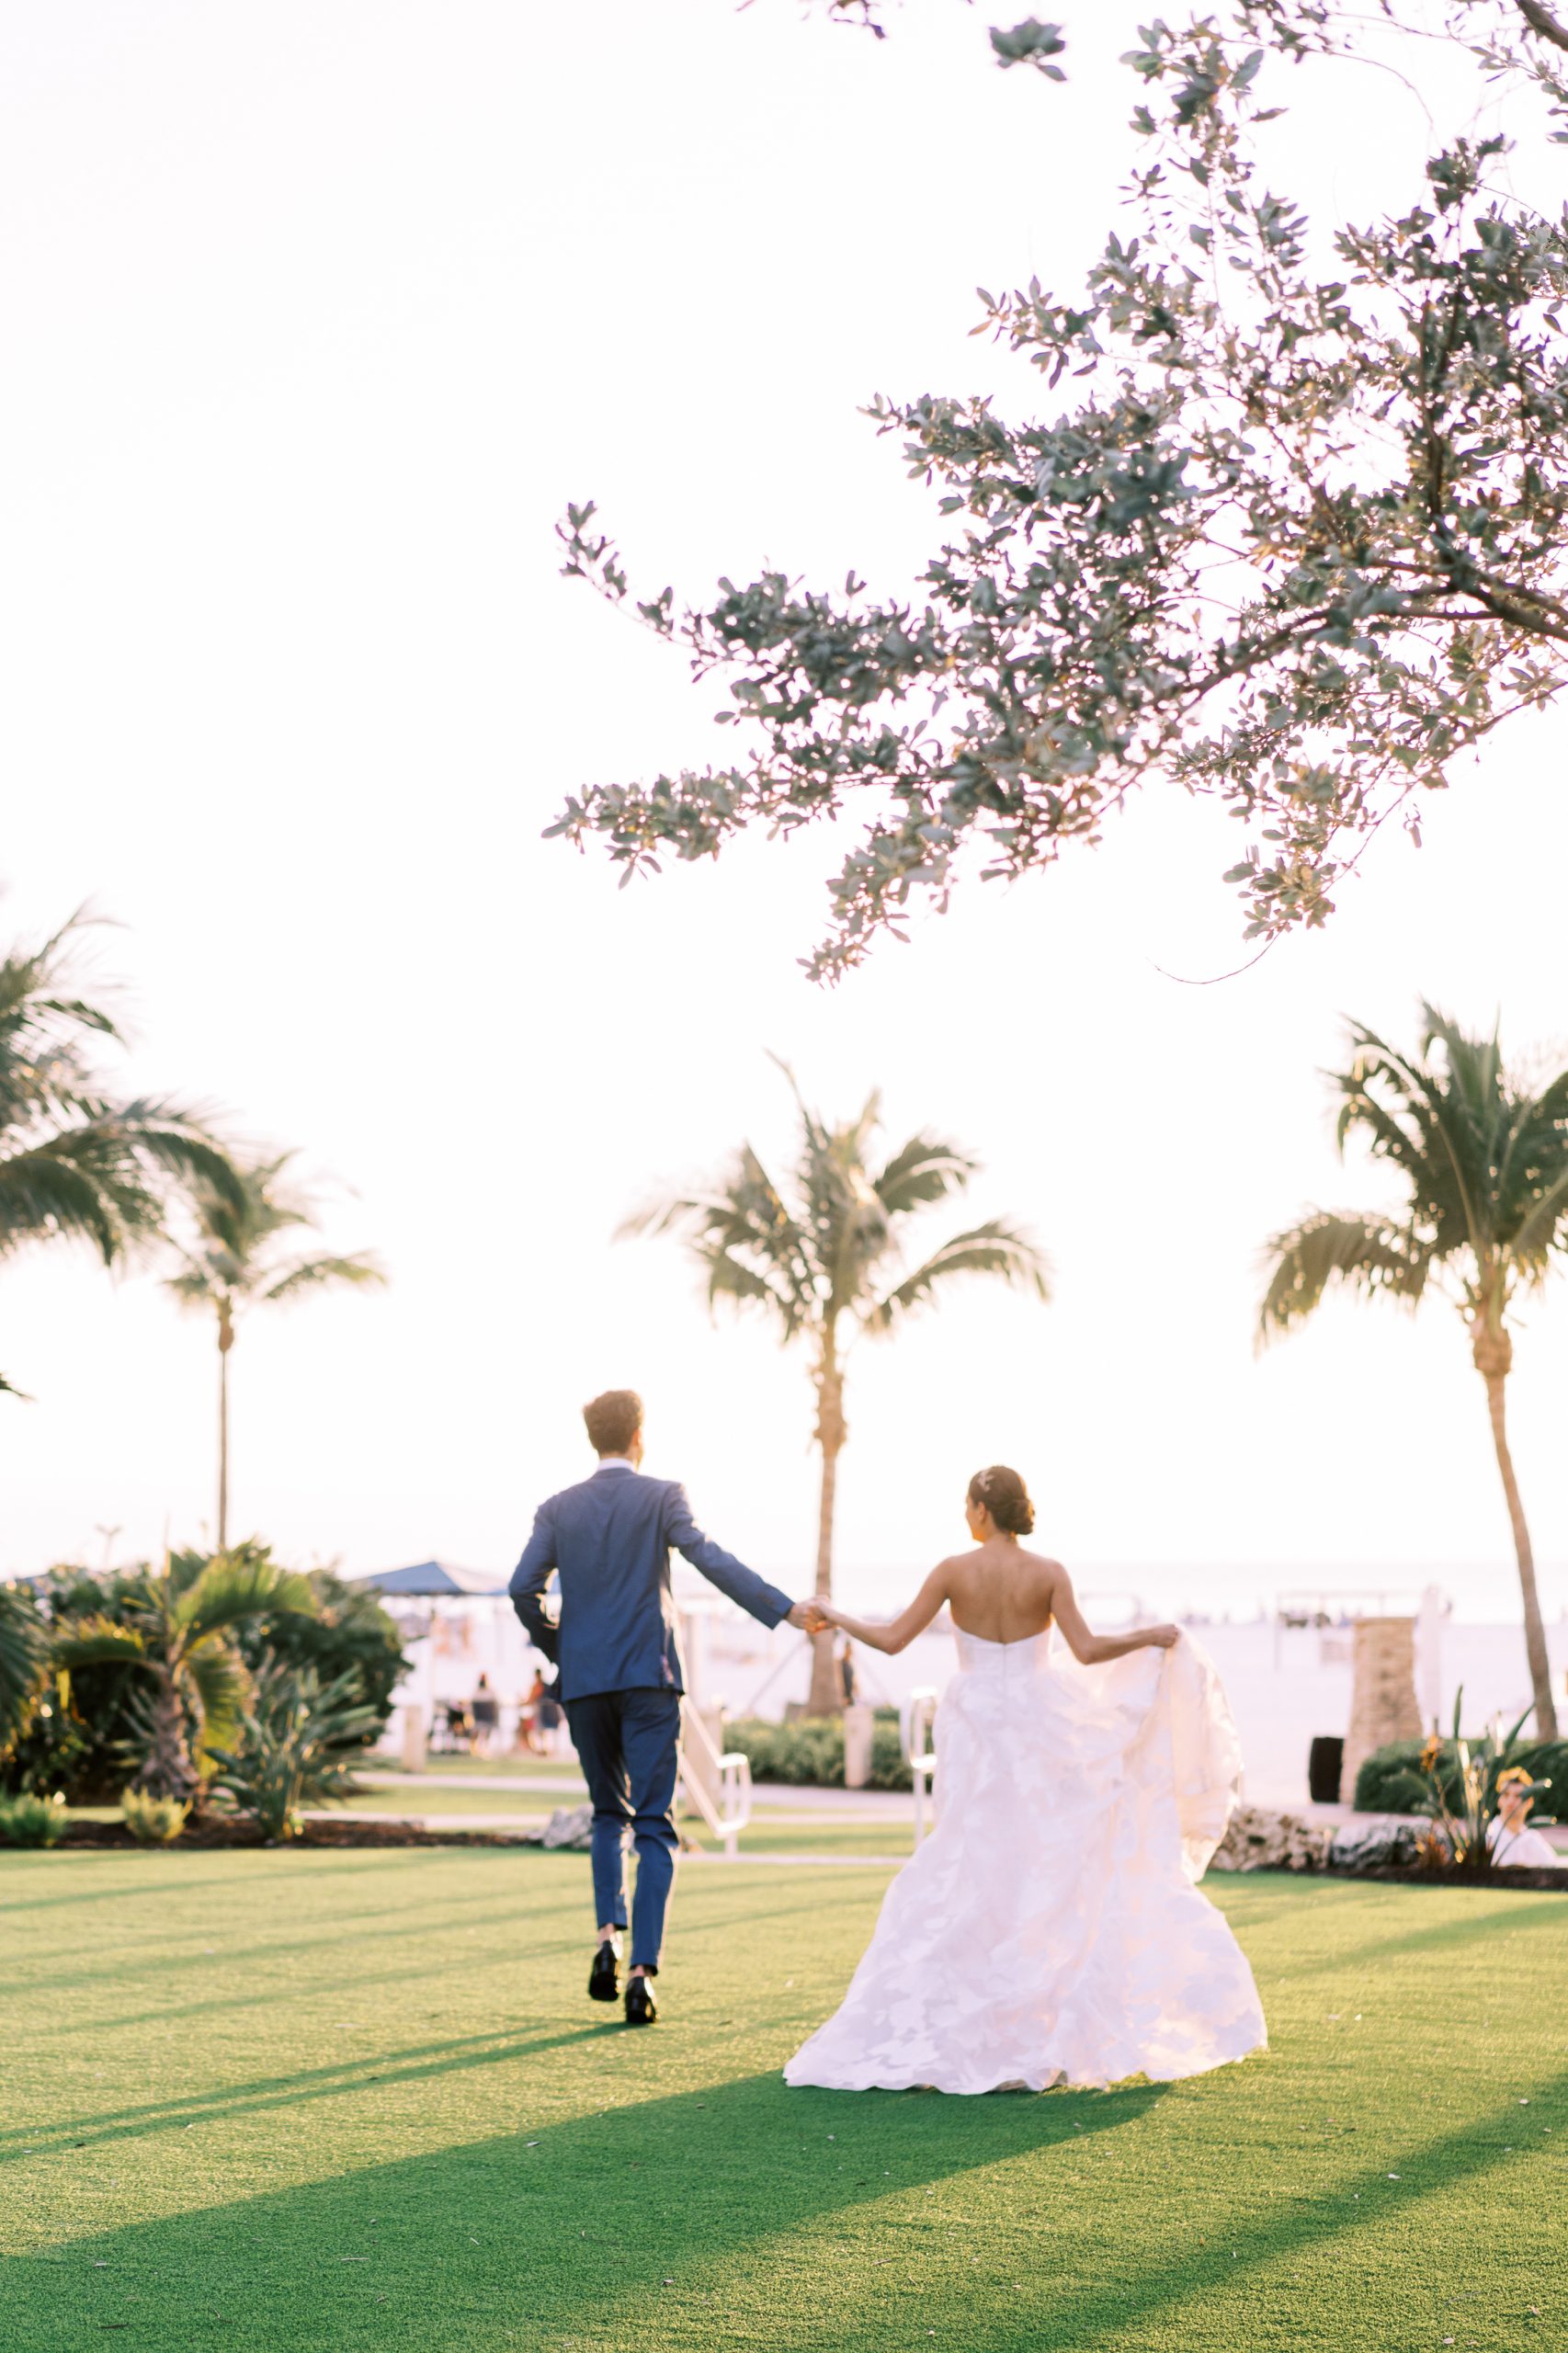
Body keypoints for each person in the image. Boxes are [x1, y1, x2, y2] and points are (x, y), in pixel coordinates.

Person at [785, 1463, 1267, 2094]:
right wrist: (1149, 1635)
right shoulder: (1049, 1573)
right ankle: (1038, 2014)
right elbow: (1089, 1651)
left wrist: (837, 1617)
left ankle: (986, 2017)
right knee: (1045, 1864)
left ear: (984, 1509)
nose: (964, 1516)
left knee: (978, 1861)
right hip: (1043, 1722)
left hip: (978, 1727)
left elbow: (894, 1639)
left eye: (967, 1505)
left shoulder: (954, 1570)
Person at [510, 1387, 823, 2027]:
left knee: (607, 1814)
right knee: (654, 1824)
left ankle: (607, 1937)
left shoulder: (557, 1508)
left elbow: (522, 1588)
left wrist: (561, 1644)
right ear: (639, 1437)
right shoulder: (662, 1497)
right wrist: (784, 1608)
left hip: (586, 1681)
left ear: (592, 1438)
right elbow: (707, 1558)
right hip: (650, 1680)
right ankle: (642, 1975)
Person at [1487, 1767, 1561, 1868]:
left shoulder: (1534, 1841)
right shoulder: (1487, 1838)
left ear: (1530, 1802)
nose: (1510, 1801)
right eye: (1506, 1795)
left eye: (1518, 1796)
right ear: (1499, 1800)